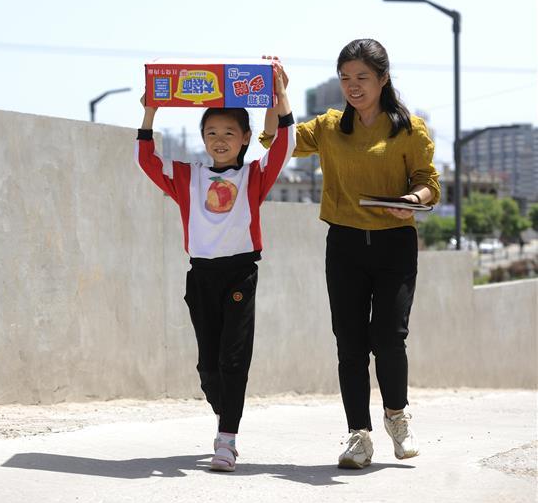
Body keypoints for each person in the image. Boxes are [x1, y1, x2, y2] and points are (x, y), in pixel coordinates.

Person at [260, 40, 440, 469]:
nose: (353, 86)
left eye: (362, 77)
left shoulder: (408, 129)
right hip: (343, 245)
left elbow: (428, 181)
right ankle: (359, 436)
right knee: (350, 344)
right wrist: (275, 94)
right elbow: (273, 139)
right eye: (345, 78)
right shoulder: (327, 127)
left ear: (383, 79)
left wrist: (412, 198)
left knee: (390, 338)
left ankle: (397, 416)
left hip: (394, 242)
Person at [136, 65, 295, 471]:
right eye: (211, 133)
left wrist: (281, 100)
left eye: (228, 133)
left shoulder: (254, 176)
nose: (219, 141)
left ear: (245, 138)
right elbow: (147, 159)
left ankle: (227, 439)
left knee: (232, 358)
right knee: (208, 368)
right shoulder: (188, 177)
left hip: (240, 273)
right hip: (201, 276)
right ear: (203, 139)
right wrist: (150, 112)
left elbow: (283, 147)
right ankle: (226, 409)